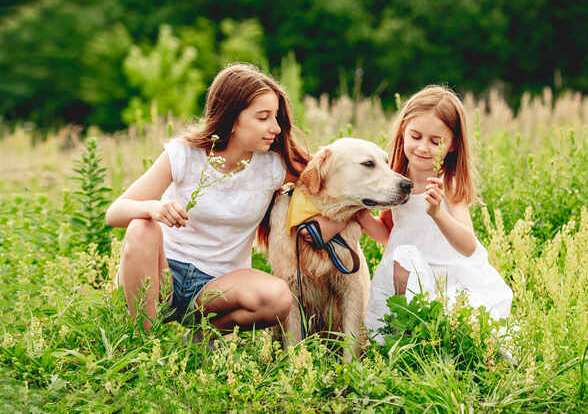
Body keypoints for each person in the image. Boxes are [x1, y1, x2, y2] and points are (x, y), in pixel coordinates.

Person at [106, 63, 343, 333]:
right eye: (263, 117)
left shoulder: (274, 166)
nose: (276, 127)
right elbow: (115, 212)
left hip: (218, 287)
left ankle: (199, 341)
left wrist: (332, 225)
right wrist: (155, 208)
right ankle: (144, 343)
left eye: (276, 117)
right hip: (164, 274)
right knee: (140, 227)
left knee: (278, 298)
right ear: (232, 118)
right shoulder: (185, 153)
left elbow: (339, 184)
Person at [355, 85, 513, 342]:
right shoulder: (397, 181)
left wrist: (438, 213)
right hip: (406, 279)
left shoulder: (447, 184)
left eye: (435, 142)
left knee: (459, 331)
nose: (423, 148)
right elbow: (387, 234)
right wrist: (361, 215)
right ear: (403, 132)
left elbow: (468, 246)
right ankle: (404, 335)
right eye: (415, 136)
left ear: (452, 146)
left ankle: (431, 337)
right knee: (403, 257)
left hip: (447, 279)